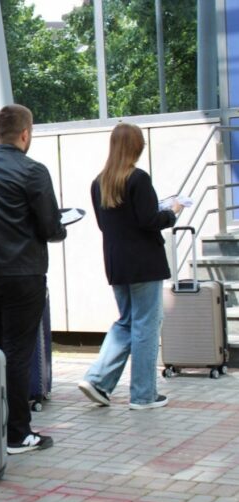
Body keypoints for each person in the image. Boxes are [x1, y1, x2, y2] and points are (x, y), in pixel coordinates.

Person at [0, 104, 66, 455]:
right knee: (17, 352)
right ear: (25, 134)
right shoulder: (33, 171)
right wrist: (60, 226)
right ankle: (17, 433)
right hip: (23, 274)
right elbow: (50, 227)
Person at [78, 123, 181, 410]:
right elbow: (149, 221)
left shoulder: (99, 183)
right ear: (137, 147)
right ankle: (143, 395)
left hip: (117, 263)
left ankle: (97, 380)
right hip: (145, 263)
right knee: (146, 325)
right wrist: (172, 212)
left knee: (126, 321)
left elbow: (105, 225)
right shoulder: (138, 179)